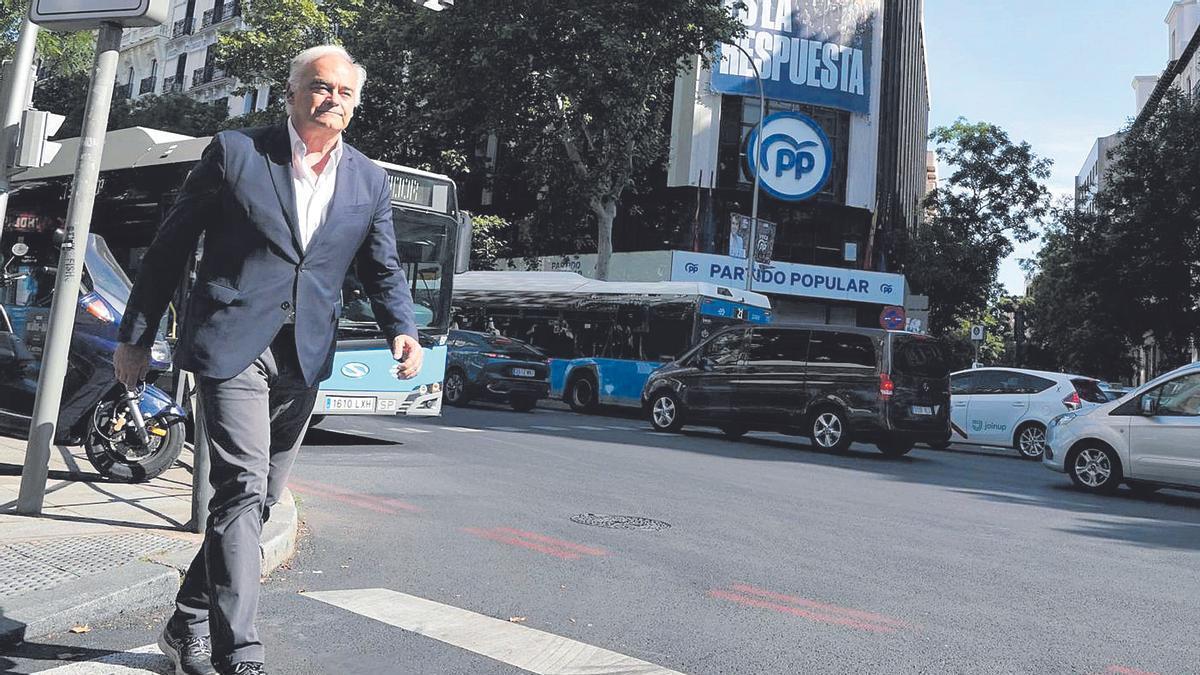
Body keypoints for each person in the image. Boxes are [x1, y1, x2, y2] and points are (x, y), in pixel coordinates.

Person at [114, 45, 423, 675]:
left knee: (257, 501)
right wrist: (137, 335)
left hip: (305, 355)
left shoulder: (367, 178)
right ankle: (241, 654)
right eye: (318, 86)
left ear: (355, 104)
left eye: (343, 92)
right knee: (240, 489)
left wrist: (403, 328)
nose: (330, 98)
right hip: (232, 344)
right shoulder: (236, 152)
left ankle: (185, 621)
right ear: (290, 93)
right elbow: (171, 246)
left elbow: (381, 265)